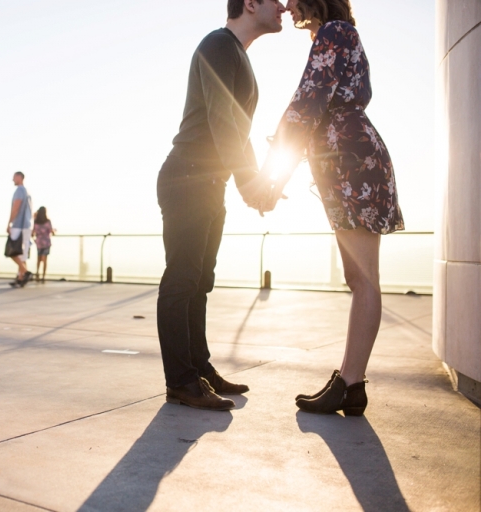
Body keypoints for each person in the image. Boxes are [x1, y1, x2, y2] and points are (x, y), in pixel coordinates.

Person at [261, 0, 404, 416]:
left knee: (363, 279)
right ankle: (350, 382)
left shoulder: (334, 33)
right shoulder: (338, 35)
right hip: (351, 163)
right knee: (358, 277)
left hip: (352, 166)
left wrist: (273, 177)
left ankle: (350, 382)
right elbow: (309, 109)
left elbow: (306, 105)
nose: (286, 6)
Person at [157, 0, 285, 411]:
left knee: (200, 281)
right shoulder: (217, 45)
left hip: (211, 183)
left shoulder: (237, 56)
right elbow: (222, 122)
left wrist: (255, 182)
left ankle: (200, 369)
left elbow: (238, 130)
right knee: (182, 279)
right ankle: (180, 381)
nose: (283, 6)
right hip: (187, 178)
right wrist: (251, 185)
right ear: (250, 4)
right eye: (274, 0)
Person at [7, 171, 33, 287]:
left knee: (11, 251)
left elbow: (16, 207)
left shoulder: (19, 191)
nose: (13, 180)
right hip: (27, 226)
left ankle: (25, 272)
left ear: (20, 177)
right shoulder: (27, 192)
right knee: (22, 254)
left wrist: (9, 223)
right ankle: (21, 277)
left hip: (19, 225)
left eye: (14, 177)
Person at [32, 207, 55, 282]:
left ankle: (37, 273)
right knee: (45, 260)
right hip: (46, 242)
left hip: (39, 242)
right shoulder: (48, 221)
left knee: (38, 259)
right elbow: (51, 231)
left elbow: (33, 232)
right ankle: (43, 276)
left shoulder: (36, 221)